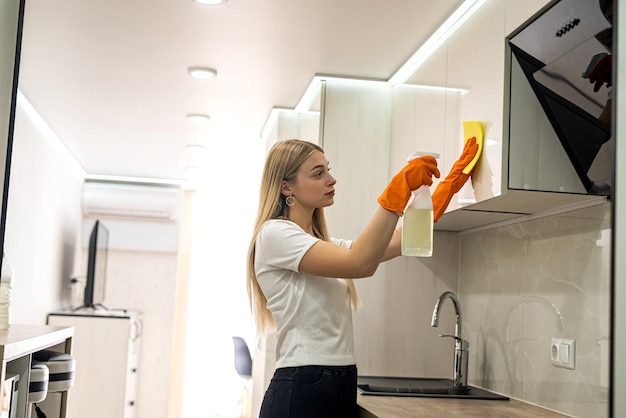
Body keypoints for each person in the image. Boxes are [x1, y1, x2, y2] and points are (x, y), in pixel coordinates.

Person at [246, 138, 478, 418]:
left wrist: (447, 187)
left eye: (328, 170)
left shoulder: (318, 243)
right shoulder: (275, 234)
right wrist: (397, 190)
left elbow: (396, 242)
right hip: (303, 385)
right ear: (286, 187)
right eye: (318, 174)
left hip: (337, 380)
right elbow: (361, 263)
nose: (331, 179)